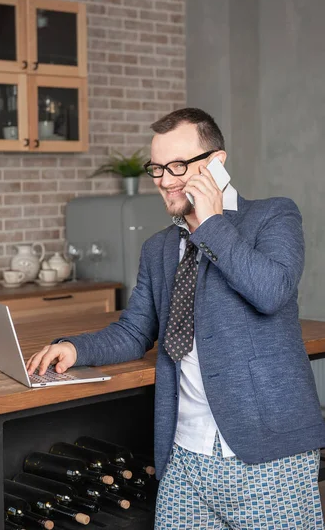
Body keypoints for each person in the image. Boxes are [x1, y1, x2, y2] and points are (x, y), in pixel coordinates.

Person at [27, 108, 325, 529]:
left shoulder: (273, 217)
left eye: (179, 166)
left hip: (268, 452)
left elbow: (271, 293)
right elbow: (135, 331)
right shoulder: (159, 249)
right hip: (185, 457)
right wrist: (75, 347)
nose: (165, 180)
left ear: (217, 164)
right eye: (158, 168)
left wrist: (212, 223)